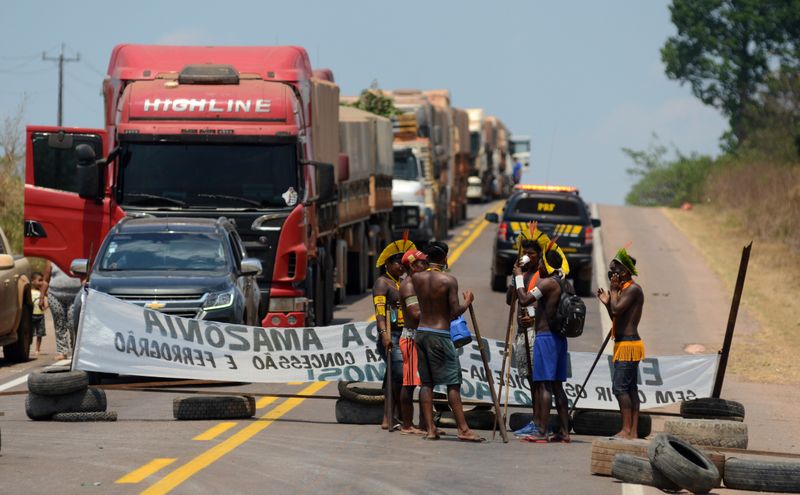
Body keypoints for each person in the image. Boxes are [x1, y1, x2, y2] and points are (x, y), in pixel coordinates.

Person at [408, 241, 483, 442]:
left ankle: (430, 429)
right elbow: (454, 312)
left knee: (426, 384)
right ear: (444, 259)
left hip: (421, 332)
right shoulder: (448, 280)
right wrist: (467, 301)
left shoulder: (417, 278)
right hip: (440, 334)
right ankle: (463, 429)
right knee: (453, 383)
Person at [514, 241, 570, 443]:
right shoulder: (564, 282)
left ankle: (542, 431)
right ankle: (564, 431)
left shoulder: (547, 283)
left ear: (546, 263)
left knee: (544, 385)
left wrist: (519, 277)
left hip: (545, 337)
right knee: (557, 386)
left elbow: (524, 299)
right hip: (559, 339)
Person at [597, 247, 644, 439]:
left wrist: (613, 292)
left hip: (629, 345)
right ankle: (632, 431)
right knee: (630, 388)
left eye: (614, 270)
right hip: (624, 344)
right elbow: (615, 316)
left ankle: (626, 430)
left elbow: (616, 312)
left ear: (624, 271)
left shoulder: (632, 289)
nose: (611, 274)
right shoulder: (624, 289)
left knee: (620, 388)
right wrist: (608, 302)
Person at [373, 237, 415, 430]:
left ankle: (394, 415)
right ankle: (388, 416)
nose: (401, 266)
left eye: (403, 262)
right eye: (397, 262)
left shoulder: (403, 282)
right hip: (391, 336)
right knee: (396, 373)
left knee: (395, 375)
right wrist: (384, 334)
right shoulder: (382, 283)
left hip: (405, 334)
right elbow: (380, 312)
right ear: (388, 263)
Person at [507, 238, 542, 437]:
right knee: (529, 377)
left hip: (535, 331)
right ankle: (535, 420)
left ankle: (539, 421)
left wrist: (534, 317)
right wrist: (515, 278)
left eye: (532, 254)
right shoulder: (522, 274)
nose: (528, 257)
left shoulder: (539, 276)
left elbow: (538, 302)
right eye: (525, 254)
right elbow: (509, 300)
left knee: (537, 378)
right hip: (521, 331)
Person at [396, 249, 429, 435]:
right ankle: (407, 424)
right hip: (411, 338)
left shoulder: (419, 283)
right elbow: (416, 314)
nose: (426, 266)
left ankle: (424, 424)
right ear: (413, 266)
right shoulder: (409, 286)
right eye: (422, 263)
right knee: (409, 383)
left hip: (422, 336)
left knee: (426, 382)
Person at [41, 260, 82, 361]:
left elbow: (86, 277)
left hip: (75, 295)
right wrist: (42, 297)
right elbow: (46, 280)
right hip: (55, 295)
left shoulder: (79, 259)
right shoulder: (51, 261)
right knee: (59, 324)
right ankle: (62, 351)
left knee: (73, 323)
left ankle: (75, 348)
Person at [30, 271, 48, 357]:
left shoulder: (42, 292)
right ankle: (28, 346)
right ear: (32, 281)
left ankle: (37, 349)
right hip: (31, 316)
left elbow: (44, 303)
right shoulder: (29, 292)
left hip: (40, 316)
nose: (41, 283)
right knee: (30, 333)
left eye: (42, 280)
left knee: (39, 333)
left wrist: (45, 307)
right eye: (39, 280)